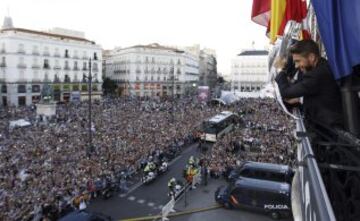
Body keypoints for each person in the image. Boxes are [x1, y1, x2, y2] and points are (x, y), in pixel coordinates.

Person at [275, 39, 343, 127]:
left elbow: (286, 93)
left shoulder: (317, 74)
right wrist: (300, 99)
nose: (296, 66)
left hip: (328, 129)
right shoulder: (322, 66)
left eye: (298, 61)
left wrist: (280, 70)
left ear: (311, 57)